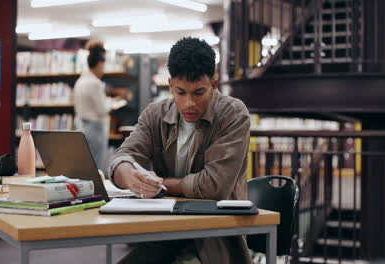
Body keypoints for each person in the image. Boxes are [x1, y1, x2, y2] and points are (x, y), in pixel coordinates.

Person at [107, 37, 252, 264]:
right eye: (180, 92)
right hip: (163, 233)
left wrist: (160, 183)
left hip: (213, 236)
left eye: (198, 92)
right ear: (170, 85)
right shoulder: (154, 114)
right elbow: (122, 156)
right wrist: (127, 174)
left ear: (213, 86)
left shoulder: (233, 114)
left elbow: (213, 187)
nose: (188, 104)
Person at [74, 40, 111, 170]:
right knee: (97, 166)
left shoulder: (80, 81)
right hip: (95, 129)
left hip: (80, 125)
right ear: (100, 64)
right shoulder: (95, 83)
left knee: (84, 165)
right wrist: (111, 104)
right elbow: (103, 110)